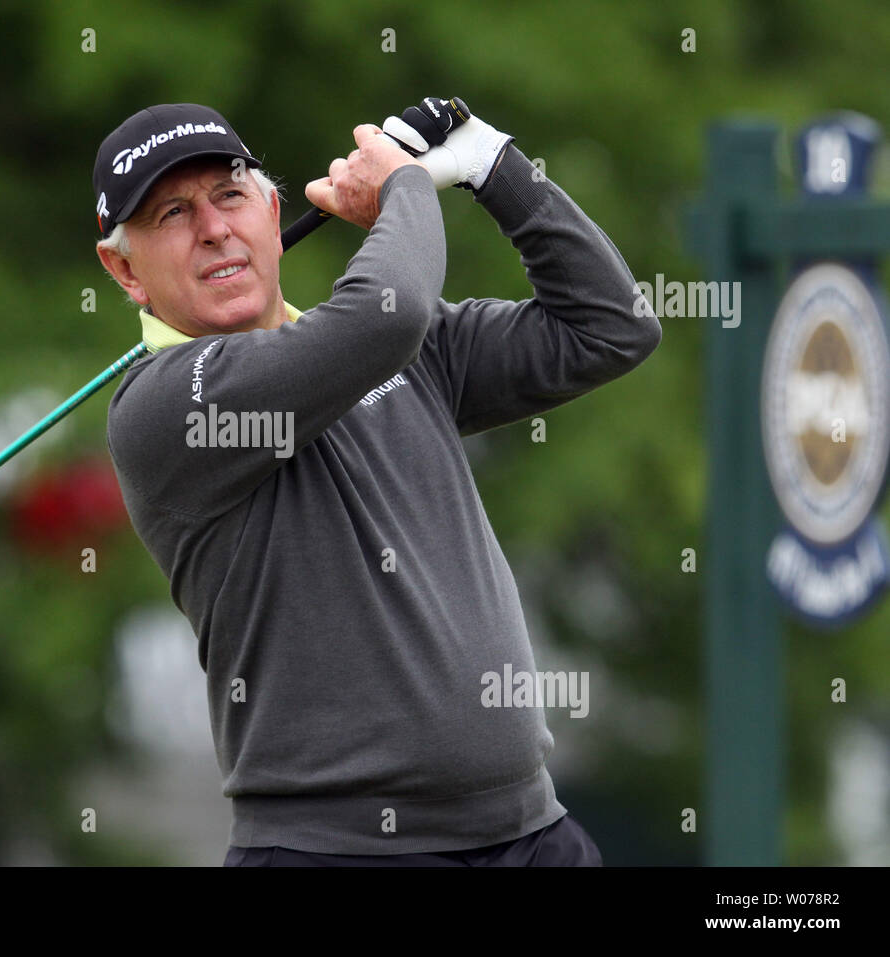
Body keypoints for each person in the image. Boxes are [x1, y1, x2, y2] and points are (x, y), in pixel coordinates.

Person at [93, 100, 660, 866]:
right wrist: (407, 189)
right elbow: (382, 318)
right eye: (172, 213)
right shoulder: (161, 407)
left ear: (269, 209)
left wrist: (495, 167)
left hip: (532, 833)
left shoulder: (406, 353)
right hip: (336, 852)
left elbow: (611, 325)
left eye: (230, 195)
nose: (214, 228)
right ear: (124, 269)